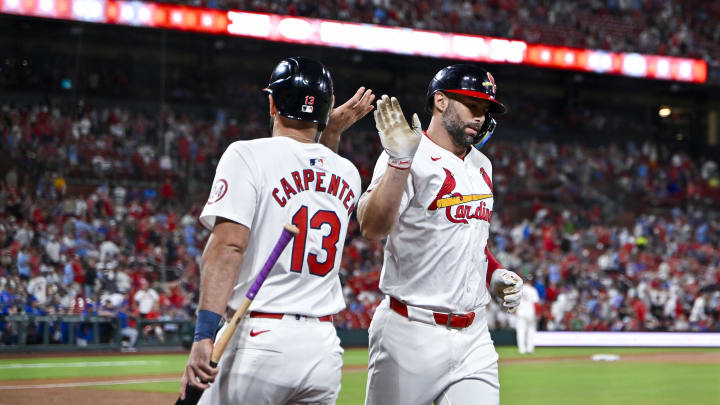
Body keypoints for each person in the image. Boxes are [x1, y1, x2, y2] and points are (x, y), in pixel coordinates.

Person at [179, 56, 375, 404]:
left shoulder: (246, 155)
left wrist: (203, 335)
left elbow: (228, 248)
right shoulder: (348, 173)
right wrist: (330, 129)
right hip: (323, 349)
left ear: (272, 102)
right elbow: (314, 174)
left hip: (260, 337)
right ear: (327, 111)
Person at [358, 64, 523, 405]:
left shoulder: (482, 164)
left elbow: (472, 239)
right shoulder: (405, 152)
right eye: (473, 105)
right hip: (410, 332)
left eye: (486, 109)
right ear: (441, 101)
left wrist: (494, 275)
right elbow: (372, 228)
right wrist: (399, 162)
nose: (481, 116)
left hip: (474, 335)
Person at [515, 273, 540, 355]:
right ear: (531, 281)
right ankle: (530, 349)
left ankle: (522, 350)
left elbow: (514, 302)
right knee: (531, 331)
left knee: (521, 331)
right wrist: (537, 314)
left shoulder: (518, 289)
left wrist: (515, 311)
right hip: (530, 313)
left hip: (521, 312)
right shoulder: (533, 290)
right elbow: (536, 304)